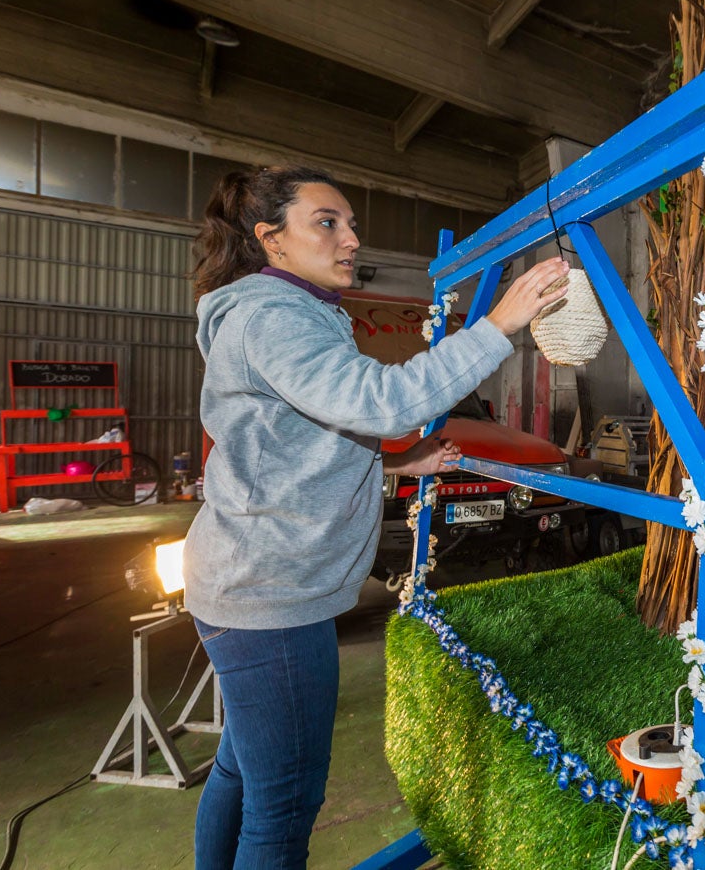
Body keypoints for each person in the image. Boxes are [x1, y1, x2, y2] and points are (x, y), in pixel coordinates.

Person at [182, 165, 569, 868]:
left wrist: (391, 465)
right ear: (272, 241)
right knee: (283, 805)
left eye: (352, 223)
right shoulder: (272, 314)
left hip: (243, 580)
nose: (351, 239)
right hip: (272, 596)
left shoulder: (280, 310)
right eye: (327, 223)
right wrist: (499, 324)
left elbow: (279, 443)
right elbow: (384, 402)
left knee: (243, 774)